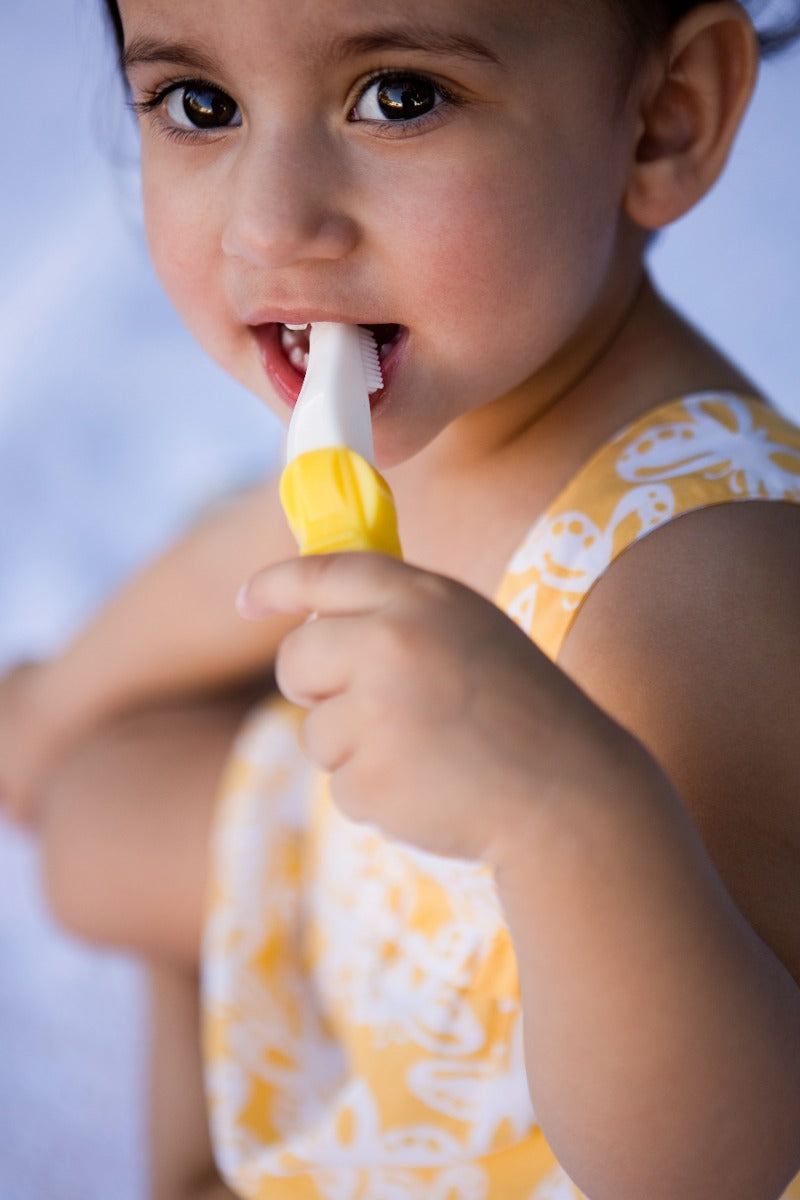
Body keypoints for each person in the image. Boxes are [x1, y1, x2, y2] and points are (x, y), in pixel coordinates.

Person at [3, 0, 800, 1196]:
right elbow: (262, 531)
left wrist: (561, 817)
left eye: (399, 97)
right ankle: (253, 1034)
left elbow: (714, 1163)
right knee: (84, 810)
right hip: (382, 911)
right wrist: (54, 705)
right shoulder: (462, 375)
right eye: (201, 106)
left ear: (661, 121)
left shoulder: (698, 594)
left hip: (543, 1104)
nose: (271, 229)